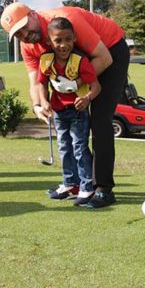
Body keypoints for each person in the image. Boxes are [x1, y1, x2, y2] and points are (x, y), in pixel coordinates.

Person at [1, 2, 128, 208]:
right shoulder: (28, 46)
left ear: (33, 14)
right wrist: (38, 105)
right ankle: (75, 184)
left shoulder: (67, 20)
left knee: (99, 119)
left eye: (25, 26)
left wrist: (76, 84)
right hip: (78, 61)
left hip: (111, 49)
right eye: (18, 33)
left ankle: (104, 189)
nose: (25, 34)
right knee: (71, 124)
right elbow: (35, 81)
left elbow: (104, 58)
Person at [37, 17, 101, 206]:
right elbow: (41, 83)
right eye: (58, 40)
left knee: (79, 148)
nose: (63, 45)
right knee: (64, 148)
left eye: (68, 39)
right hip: (58, 112)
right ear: (49, 41)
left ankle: (87, 186)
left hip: (78, 111)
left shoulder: (80, 61)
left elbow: (96, 87)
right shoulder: (46, 60)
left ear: (74, 39)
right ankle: (70, 183)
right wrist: (43, 101)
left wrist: (87, 98)